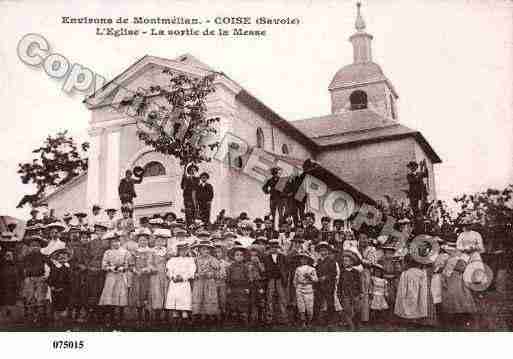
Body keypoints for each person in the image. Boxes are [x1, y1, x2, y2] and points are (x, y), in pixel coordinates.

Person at [98, 231, 130, 326]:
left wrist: (122, 268)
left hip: (121, 275)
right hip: (111, 276)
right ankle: (111, 317)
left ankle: (120, 317)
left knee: (121, 295)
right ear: (110, 243)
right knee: (110, 295)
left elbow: (127, 264)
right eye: (113, 242)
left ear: (120, 242)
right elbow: (103, 265)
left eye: (117, 241)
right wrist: (111, 268)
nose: (115, 243)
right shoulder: (107, 252)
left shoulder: (125, 252)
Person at [441, 257, 477, 329]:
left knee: (461, 298)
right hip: (454, 280)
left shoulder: (457, 259)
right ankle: (458, 317)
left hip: (457, 280)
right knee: (458, 299)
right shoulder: (453, 260)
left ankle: (462, 317)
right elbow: (445, 274)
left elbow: (463, 269)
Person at [21, 235, 49, 326]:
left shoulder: (44, 257)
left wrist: (46, 276)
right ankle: (31, 318)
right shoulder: (26, 257)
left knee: (40, 298)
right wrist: (25, 278)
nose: (35, 247)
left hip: (41, 279)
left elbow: (50, 267)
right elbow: (21, 269)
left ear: (40, 247)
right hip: (29, 279)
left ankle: (41, 318)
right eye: (32, 245)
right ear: (29, 247)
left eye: (37, 245)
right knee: (30, 298)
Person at [166, 243, 196, 325]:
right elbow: (169, 270)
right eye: (181, 250)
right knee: (175, 295)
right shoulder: (172, 260)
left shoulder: (190, 260)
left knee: (184, 296)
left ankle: (184, 311)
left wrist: (183, 277)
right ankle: (175, 311)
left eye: (185, 250)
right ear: (178, 251)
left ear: (187, 251)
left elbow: (191, 271)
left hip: (184, 282)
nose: (183, 252)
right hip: (174, 281)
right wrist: (173, 277)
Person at [129, 230, 153, 327]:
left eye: (145, 240)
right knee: (138, 294)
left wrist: (145, 270)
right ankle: (139, 317)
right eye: (141, 240)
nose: (143, 242)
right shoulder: (135, 252)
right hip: (137, 276)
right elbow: (131, 264)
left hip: (147, 276)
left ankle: (147, 318)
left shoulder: (150, 251)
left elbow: (151, 264)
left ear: (147, 241)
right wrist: (135, 270)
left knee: (146, 294)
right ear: (138, 241)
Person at [192, 240, 220, 323]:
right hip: (199, 281)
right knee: (198, 296)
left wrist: (212, 274)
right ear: (199, 250)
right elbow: (191, 271)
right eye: (203, 249)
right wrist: (196, 274)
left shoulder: (213, 259)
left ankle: (210, 315)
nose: (206, 251)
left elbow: (218, 272)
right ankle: (198, 315)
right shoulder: (195, 260)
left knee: (209, 297)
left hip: (209, 282)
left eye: (207, 249)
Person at [263, 239, 289, 325]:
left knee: (282, 298)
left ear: (278, 248)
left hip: (280, 279)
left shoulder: (282, 257)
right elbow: (265, 269)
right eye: (272, 247)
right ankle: (269, 318)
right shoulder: (266, 257)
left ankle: (283, 317)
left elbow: (285, 269)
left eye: (275, 247)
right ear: (269, 248)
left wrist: (284, 277)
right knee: (269, 298)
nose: (274, 249)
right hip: (270, 279)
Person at [68, 226, 90, 322]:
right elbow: (71, 260)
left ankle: (83, 313)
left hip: (87, 273)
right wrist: (79, 266)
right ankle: (73, 313)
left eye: (86, 238)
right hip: (76, 273)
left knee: (85, 294)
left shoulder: (89, 247)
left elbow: (92, 259)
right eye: (83, 238)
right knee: (74, 293)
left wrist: (87, 266)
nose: (84, 239)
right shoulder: (75, 248)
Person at [313, 241, 337, 324]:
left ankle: (331, 320)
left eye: (325, 250)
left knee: (330, 302)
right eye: (321, 250)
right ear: (319, 252)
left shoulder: (331, 261)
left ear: (328, 251)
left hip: (329, 285)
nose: (323, 252)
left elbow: (334, 273)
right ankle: (317, 319)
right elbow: (314, 272)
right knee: (318, 301)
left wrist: (326, 277)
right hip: (319, 285)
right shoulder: (317, 262)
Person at [47, 248, 73, 326]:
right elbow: (50, 278)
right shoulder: (54, 268)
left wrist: (66, 287)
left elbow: (70, 280)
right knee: (56, 304)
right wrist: (51, 286)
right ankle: (56, 320)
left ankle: (63, 320)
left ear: (67, 258)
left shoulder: (68, 268)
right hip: (55, 289)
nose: (62, 259)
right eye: (60, 257)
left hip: (65, 290)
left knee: (64, 304)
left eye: (64, 257)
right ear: (57, 258)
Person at [150, 229, 171, 323]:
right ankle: (157, 314)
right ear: (155, 242)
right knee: (157, 292)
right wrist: (152, 268)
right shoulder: (152, 251)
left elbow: (170, 263)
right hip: (156, 275)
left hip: (165, 274)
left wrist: (169, 269)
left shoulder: (166, 251)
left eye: (162, 241)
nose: (160, 243)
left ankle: (166, 314)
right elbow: (149, 263)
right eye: (158, 241)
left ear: (164, 242)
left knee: (166, 292)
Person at [337, 250, 362, 330]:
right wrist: (339, 294)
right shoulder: (342, 272)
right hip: (345, 294)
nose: (345, 262)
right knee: (347, 309)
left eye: (347, 261)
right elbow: (339, 284)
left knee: (356, 309)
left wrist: (360, 292)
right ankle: (351, 326)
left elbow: (359, 283)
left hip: (355, 293)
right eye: (344, 261)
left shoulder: (356, 272)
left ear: (352, 262)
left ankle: (354, 323)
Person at [226, 245, 251, 325]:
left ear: (243, 257)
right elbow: (228, 278)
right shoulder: (230, 267)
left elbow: (248, 278)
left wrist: (247, 287)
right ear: (233, 257)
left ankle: (243, 317)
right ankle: (234, 317)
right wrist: (228, 287)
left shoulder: (245, 267)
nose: (239, 257)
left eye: (241, 255)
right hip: (233, 287)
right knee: (233, 303)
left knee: (243, 302)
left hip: (242, 287)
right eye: (237, 255)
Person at [293, 251, 318, 327]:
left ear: (308, 260)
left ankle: (309, 321)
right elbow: (295, 280)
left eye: (305, 259)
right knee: (301, 306)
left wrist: (310, 277)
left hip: (308, 288)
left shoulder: (312, 269)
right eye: (301, 259)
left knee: (309, 307)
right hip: (300, 288)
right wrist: (297, 287)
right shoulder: (298, 269)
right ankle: (303, 322)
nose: (303, 260)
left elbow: (316, 280)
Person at [246, 246, 266, 325]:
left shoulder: (260, 263)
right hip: (251, 284)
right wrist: (249, 268)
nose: (253, 257)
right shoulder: (247, 264)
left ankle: (260, 317)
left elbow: (263, 271)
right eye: (252, 255)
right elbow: (246, 274)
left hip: (259, 283)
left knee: (260, 300)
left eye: (255, 255)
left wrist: (258, 264)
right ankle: (251, 317)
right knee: (251, 300)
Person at [0, 251, 20, 323]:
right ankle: (6, 315)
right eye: (7, 255)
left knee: (11, 302)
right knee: (5, 301)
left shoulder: (15, 265)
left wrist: (17, 286)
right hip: (3, 286)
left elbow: (17, 276)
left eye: (9, 255)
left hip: (12, 286)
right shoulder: (2, 265)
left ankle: (11, 316)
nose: (8, 257)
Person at [213, 244, 230, 321]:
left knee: (223, 298)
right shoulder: (212, 262)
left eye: (219, 252)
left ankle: (224, 312)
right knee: (215, 298)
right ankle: (216, 314)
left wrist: (225, 276)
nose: (217, 254)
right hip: (214, 283)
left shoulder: (226, 263)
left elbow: (228, 274)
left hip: (223, 283)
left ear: (222, 253)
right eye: (215, 252)